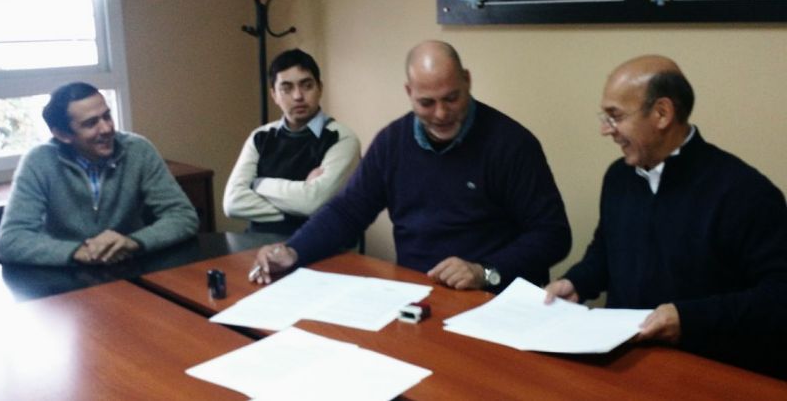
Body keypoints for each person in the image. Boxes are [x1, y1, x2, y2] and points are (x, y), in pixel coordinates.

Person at [250, 40, 571, 292]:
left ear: (467, 81)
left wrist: (483, 272)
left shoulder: (510, 144)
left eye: (452, 98)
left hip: (494, 298)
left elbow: (553, 235)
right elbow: (348, 211)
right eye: (427, 103)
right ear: (409, 93)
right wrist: (293, 251)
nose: (442, 114)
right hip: (419, 295)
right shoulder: (392, 143)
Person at [544, 55, 787, 377]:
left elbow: (778, 298)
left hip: (710, 369)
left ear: (662, 113)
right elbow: (607, 249)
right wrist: (577, 281)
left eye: (615, 117)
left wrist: (686, 318)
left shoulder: (746, 193)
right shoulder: (619, 177)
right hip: (622, 362)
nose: (606, 130)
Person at [0, 82, 199, 266]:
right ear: (62, 134)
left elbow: (183, 216)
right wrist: (77, 252)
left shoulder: (139, 150)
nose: (107, 128)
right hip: (67, 273)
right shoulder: (39, 161)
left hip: (130, 264)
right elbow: (12, 239)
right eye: (91, 123)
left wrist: (133, 242)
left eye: (107, 116)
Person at [223, 49, 361, 237]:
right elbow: (233, 203)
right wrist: (300, 206)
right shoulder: (260, 137)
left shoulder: (342, 139)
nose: (298, 96)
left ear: (320, 88)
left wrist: (258, 184)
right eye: (286, 88)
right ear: (274, 95)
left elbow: (312, 202)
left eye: (307, 85)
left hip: (318, 248)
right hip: (256, 246)